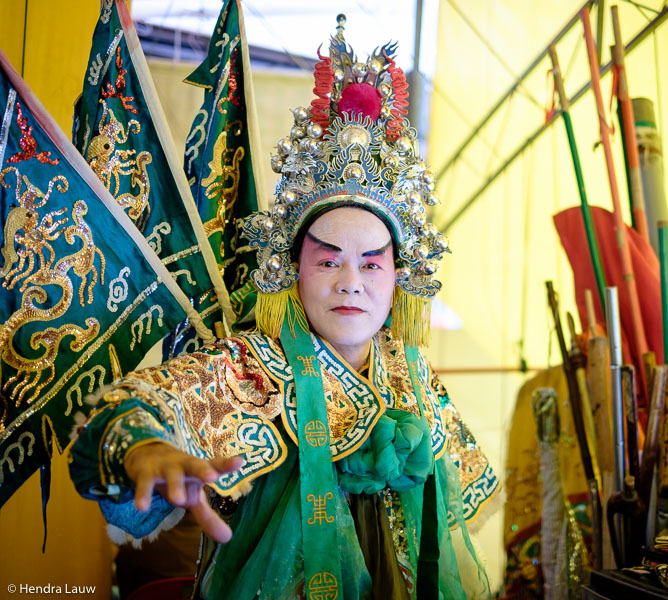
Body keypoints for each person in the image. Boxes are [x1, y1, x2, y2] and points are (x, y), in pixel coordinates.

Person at [68, 25, 499, 600]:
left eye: (372, 265)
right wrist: (146, 448)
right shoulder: (253, 366)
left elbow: (458, 501)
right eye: (328, 262)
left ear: (402, 277)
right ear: (292, 270)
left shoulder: (410, 371)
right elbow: (136, 405)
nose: (351, 284)